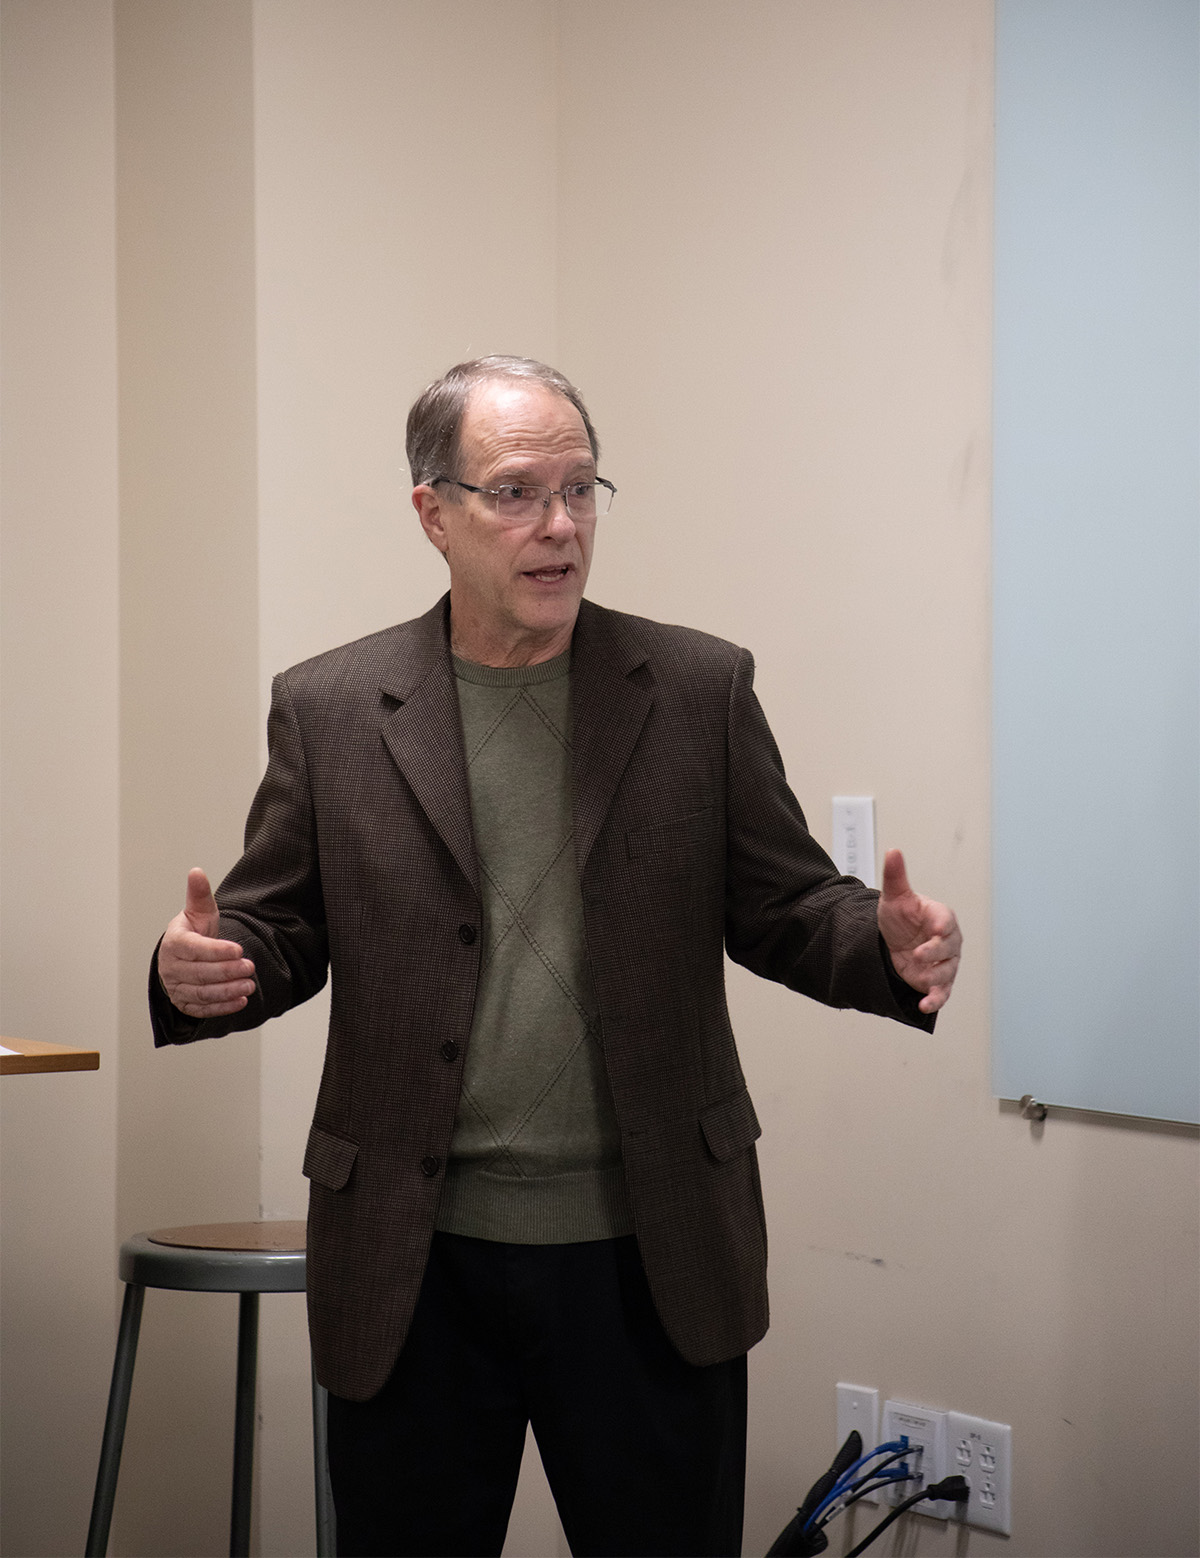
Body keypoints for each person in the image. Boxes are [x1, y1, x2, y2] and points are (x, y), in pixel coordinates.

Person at [152, 356, 961, 1558]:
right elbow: (277, 928)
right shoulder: (329, 707)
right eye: (519, 492)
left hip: (649, 1255)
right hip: (413, 1268)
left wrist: (888, 950)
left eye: (582, 490)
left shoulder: (694, 688)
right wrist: (203, 974)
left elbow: (789, 905)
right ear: (434, 511)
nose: (560, 526)